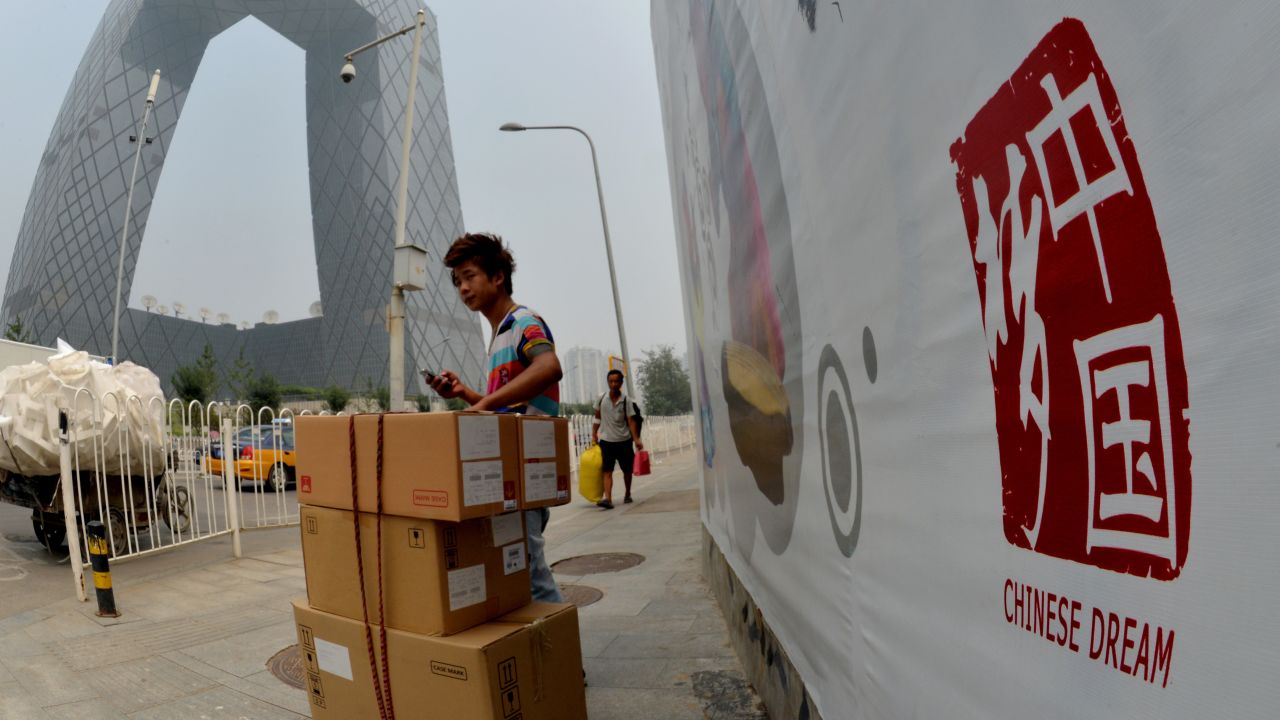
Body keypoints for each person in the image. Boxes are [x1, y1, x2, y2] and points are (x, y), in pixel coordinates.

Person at [424, 232, 564, 603]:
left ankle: (565, 660)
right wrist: (466, 395)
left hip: (526, 471)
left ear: (497, 276)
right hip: (513, 475)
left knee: (532, 577)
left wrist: (482, 406)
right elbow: (507, 407)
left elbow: (549, 366)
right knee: (520, 574)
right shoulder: (500, 335)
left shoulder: (522, 322)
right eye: (458, 281)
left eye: (469, 276)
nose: (463, 288)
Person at [591, 369, 644, 509]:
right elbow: (597, 417)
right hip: (607, 441)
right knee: (607, 471)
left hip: (624, 441)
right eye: (610, 381)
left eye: (616, 381)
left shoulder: (626, 400)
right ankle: (608, 499)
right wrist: (593, 434)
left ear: (621, 383)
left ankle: (627, 493)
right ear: (608, 382)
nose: (613, 384)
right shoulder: (601, 398)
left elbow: (631, 421)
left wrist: (636, 439)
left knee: (627, 470)